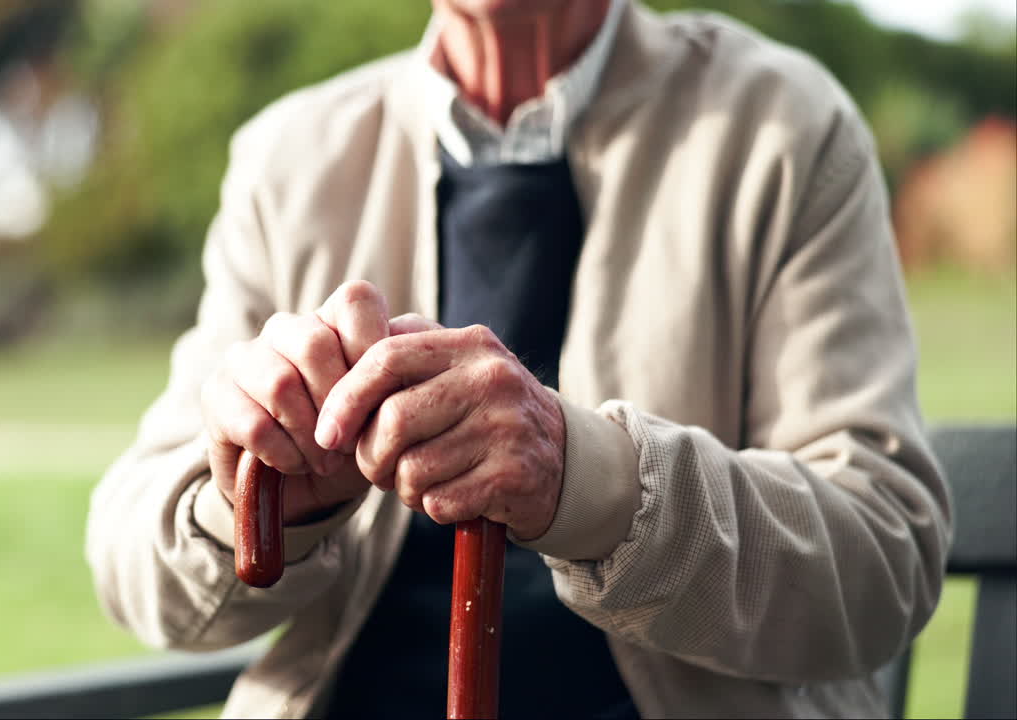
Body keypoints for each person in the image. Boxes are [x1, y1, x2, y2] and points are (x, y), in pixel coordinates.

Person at [85, 0, 951, 717]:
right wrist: (259, 497)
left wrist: (584, 479)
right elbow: (133, 557)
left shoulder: (785, 130)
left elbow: (882, 557)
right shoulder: (291, 160)